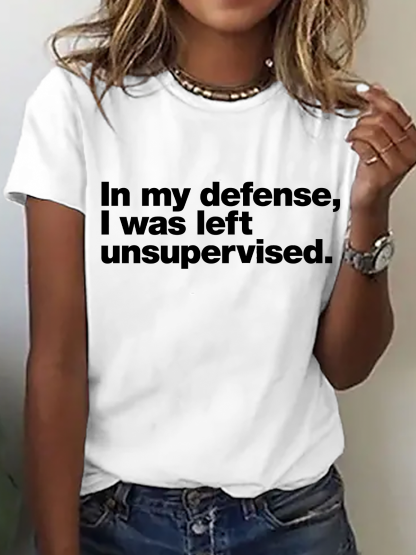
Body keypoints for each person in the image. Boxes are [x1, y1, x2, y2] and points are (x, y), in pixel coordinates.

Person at [3, 0, 416, 554]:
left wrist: (371, 207)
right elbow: (56, 363)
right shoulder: (79, 103)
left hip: (293, 521)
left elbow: (347, 366)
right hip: (116, 522)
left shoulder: (347, 124)